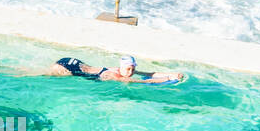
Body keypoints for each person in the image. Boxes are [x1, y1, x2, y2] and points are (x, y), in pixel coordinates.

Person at [49, 54, 183, 84]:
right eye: (128, 69)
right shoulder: (116, 75)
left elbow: (150, 74)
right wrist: (166, 79)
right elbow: (144, 81)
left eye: (132, 69)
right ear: (121, 67)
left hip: (74, 62)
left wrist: (172, 74)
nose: (130, 73)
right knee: (40, 74)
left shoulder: (124, 70)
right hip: (67, 67)